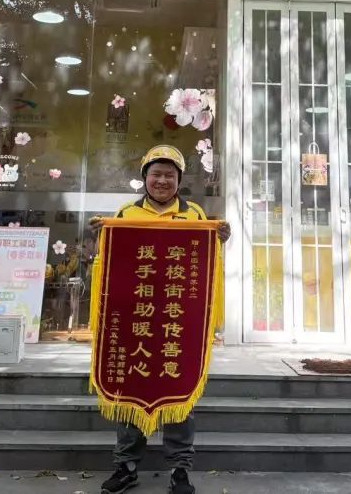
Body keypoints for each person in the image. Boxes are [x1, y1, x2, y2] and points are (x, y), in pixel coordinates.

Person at [90, 145, 230, 494]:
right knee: (129, 391)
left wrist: (219, 240)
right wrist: (102, 237)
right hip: (135, 318)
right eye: (156, 174)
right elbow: (113, 266)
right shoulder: (126, 213)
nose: (162, 181)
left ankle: (180, 470)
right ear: (145, 178)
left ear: (179, 180)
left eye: (170, 175)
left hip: (177, 322)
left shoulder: (194, 214)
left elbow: (203, 266)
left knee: (179, 393)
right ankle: (126, 466)